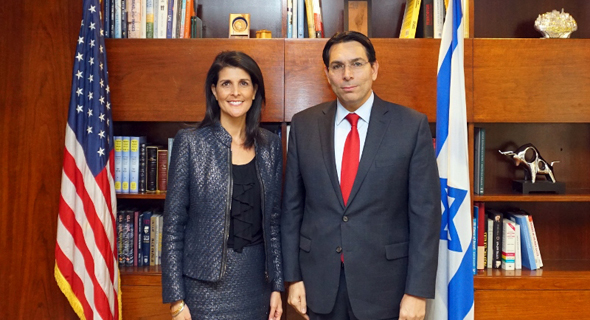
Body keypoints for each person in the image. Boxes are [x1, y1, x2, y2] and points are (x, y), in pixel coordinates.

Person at [281, 31, 441, 320]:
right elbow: (292, 208)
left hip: (386, 289)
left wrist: (417, 291)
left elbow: (425, 215)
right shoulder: (303, 126)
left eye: (356, 64)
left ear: (374, 69)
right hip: (318, 286)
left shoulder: (410, 126)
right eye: (337, 66)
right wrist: (292, 278)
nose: (347, 74)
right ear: (327, 74)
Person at [162, 51, 283, 320]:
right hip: (202, 287)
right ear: (214, 92)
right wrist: (176, 300)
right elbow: (173, 224)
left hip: (256, 283)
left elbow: (273, 222)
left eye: (244, 83)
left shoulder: (270, 146)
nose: (235, 92)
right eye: (226, 84)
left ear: (254, 92)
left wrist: (277, 286)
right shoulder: (190, 143)